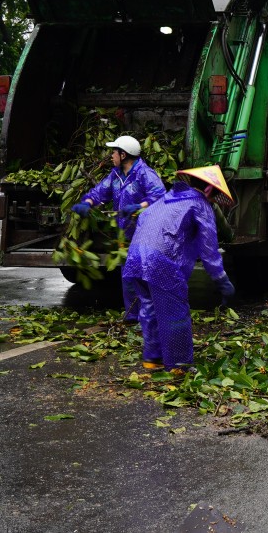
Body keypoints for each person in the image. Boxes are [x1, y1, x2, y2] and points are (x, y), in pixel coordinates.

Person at [122, 165, 235, 374]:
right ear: (209, 190)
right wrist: (221, 279)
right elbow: (209, 250)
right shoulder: (200, 204)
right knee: (175, 312)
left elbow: (143, 220)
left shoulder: (166, 199)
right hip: (162, 260)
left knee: (149, 307)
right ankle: (179, 365)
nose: (213, 201)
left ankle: (152, 359)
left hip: (135, 256)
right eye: (215, 195)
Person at [71, 135, 166, 323]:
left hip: (145, 234)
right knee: (128, 277)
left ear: (123, 155)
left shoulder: (145, 174)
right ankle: (132, 316)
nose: (111, 155)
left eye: (114, 152)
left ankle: (150, 319)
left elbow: (160, 196)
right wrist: (88, 202)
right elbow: (100, 192)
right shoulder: (115, 175)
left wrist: (140, 206)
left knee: (142, 277)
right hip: (124, 235)